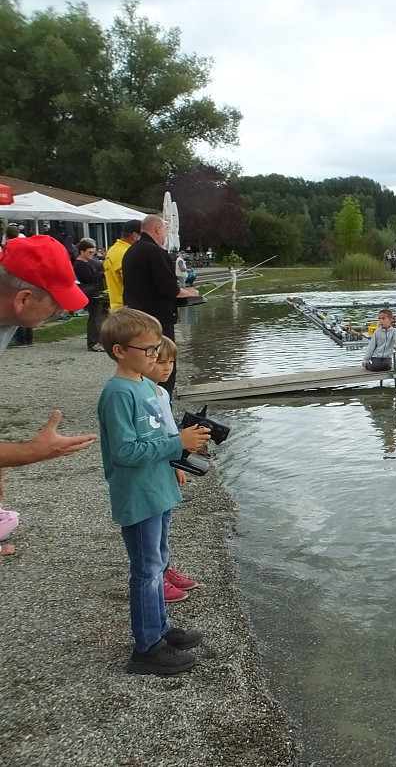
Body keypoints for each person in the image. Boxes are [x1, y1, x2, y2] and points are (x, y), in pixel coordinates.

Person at [97, 308, 211, 675]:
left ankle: (160, 628)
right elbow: (125, 452)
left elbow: (160, 436)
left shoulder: (148, 386)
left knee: (159, 561)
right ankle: (146, 647)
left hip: (159, 486)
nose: (154, 355)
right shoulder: (118, 394)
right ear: (119, 351)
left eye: (157, 347)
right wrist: (177, 443)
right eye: (148, 349)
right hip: (139, 493)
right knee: (146, 570)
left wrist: (178, 457)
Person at [0, 236, 97, 549]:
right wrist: (35, 451)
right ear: (23, 299)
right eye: (54, 304)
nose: (60, 311)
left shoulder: (10, 316)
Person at [147, 336, 200, 602]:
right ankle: (155, 574)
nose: (167, 368)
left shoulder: (162, 392)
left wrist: (177, 463)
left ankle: (164, 567)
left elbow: (170, 432)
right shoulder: (142, 397)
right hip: (150, 471)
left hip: (166, 462)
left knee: (165, 522)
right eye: (160, 361)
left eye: (171, 362)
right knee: (153, 527)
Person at [121, 215, 198, 394]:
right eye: (164, 230)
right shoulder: (156, 252)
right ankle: (163, 408)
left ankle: (144, 402)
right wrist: (190, 292)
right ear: (157, 229)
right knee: (162, 365)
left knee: (143, 363)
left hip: (136, 317)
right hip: (157, 320)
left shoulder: (131, 251)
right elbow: (169, 288)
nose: (165, 234)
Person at [74, 238, 108, 352]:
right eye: (89, 252)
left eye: (93, 253)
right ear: (82, 252)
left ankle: (100, 340)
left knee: (101, 316)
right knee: (95, 317)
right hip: (90, 292)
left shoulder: (90, 262)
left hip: (96, 291)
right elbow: (88, 279)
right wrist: (103, 273)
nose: (91, 255)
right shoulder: (79, 265)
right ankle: (93, 342)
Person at [103, 221, 141, 313]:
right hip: (127, 307)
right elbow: (133, 282)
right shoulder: (127, 253)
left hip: (115, 304)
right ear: (135, 235)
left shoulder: (112, 250)